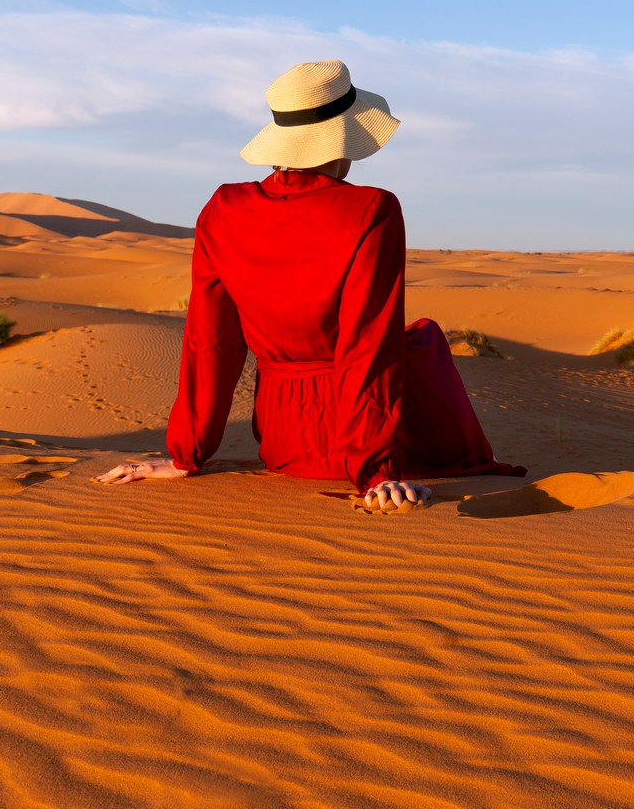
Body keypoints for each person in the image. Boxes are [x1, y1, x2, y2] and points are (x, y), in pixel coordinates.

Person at [94, 59, 524, 511]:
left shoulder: (223, 207)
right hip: (367, 449)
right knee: (422, 339)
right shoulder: (371, 209)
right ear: (347, 137)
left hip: (284, 446)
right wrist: (377, 471)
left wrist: (188, 454)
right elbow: (367, 344)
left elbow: (210, 339)